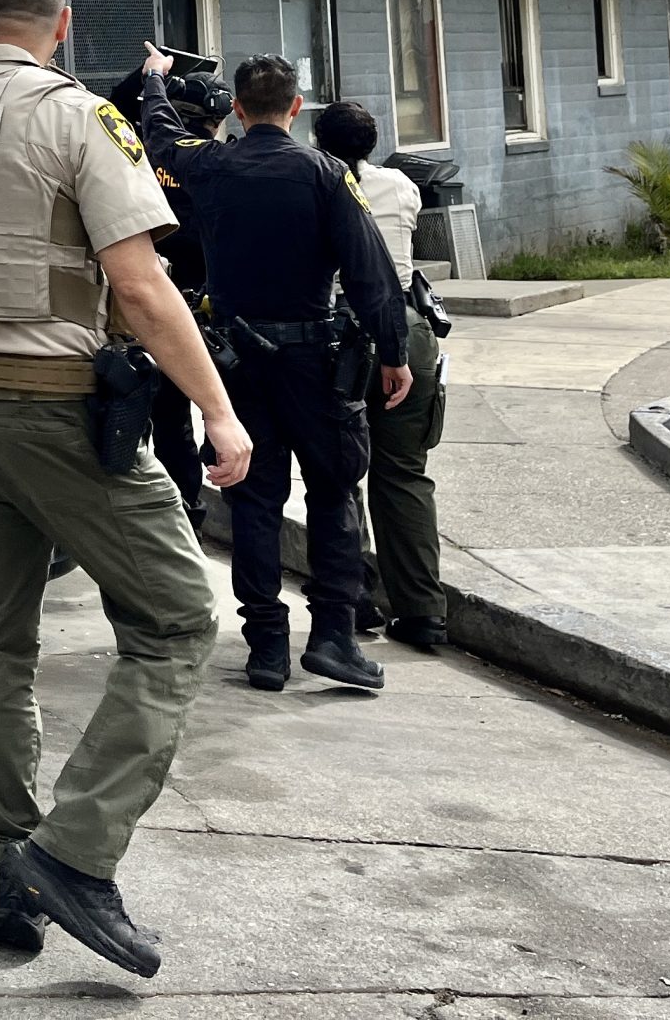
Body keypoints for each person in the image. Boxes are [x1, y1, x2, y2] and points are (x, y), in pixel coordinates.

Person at [0, 0, 252, 979]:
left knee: (1, 648)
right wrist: (218, 412)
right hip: (59, 414)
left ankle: (11, 871)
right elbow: (139, 285)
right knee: (175, 620)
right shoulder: (81, 119)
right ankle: (72, 856)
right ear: (63, 22)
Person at [138, 47, 408, 696]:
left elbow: (160, 134)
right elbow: (369, 271)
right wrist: (394, 352)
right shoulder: (325, 174)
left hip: (235, 363)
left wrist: (154, 79)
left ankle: (265, 648)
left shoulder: (211, 163)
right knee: (333, 493)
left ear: (235, 108)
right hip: (317, 364)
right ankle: (334, 638)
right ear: (296, 107)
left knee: (254, 501)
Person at [313, 102, 448, 651]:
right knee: (404, 475)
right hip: (408, 332)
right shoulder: (400, 185)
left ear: (320, 141)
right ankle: (422, 612)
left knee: (338, 475)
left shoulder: (313, 182)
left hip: (340, 333)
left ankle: (354, 598)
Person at [115, 65, 237, 526]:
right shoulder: (221, 163)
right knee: (214, 418)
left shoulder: (140, 158)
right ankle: (193, 507)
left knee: (159, 420)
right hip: (214, 314)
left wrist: (149, 77)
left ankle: (165, 511)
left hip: (147, 311)